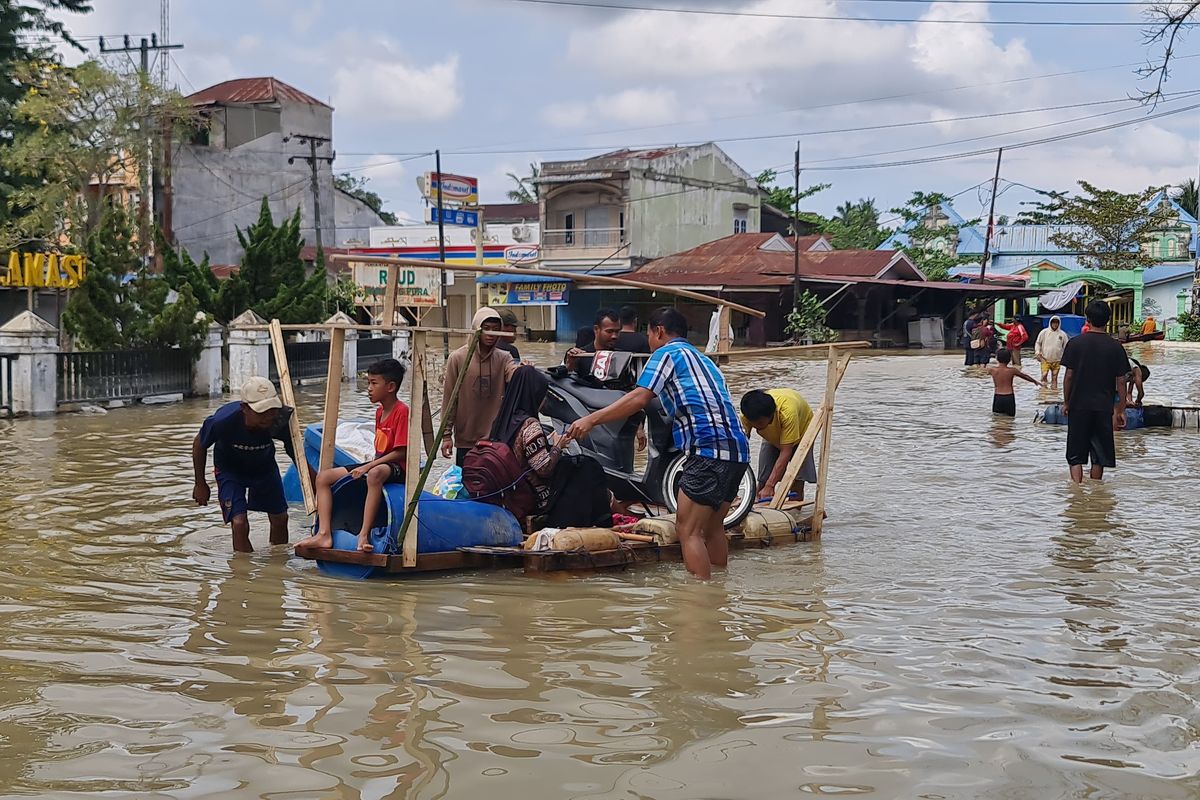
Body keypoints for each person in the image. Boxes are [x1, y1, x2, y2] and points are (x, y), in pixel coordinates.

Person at [563, 307, 751, 580]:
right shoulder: (705, 361)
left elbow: (640, 398)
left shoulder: (666, 354)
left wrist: (591, 420)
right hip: (737, 451)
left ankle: (700, 601)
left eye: (649, 334)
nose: (649, 341)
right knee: (712, 528)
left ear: (659, 331)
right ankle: (719, 590)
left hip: (708, 449)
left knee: (688, 530)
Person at [299, 359, 409, 553]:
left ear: (391, 386)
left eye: (374, 383)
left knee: (375, 474)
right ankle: (324, 533)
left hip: (397, 466)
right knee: (324, 477)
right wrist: (367, 465)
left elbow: (400, 452)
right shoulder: (379, 412)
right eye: (368, 383)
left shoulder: (402, 411)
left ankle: (363, 534)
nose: (369, 388)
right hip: (378, 463)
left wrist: (367, 467)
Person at [192, 377, 297, 553]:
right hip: (230, 470)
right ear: (245, 409)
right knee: (239, 523)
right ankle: (243, 572)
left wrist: (312, 480)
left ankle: (277, 563)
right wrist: (200, 484)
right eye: (261, 412)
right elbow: (199, 444)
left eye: (271, 410)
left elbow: (295, 451)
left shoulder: (280, 420)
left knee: (280, 518)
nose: (268, 416)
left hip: (264, 467)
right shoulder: (223, 421)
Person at [1062, 300, 1131, 483]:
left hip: (1078, 405)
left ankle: (1077, 491)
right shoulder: (1116, 347)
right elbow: (1121, 381)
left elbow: (1069, 376)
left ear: (1088, 319)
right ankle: (1095, 491)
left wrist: (1067, 402)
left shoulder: (1075, 343)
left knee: (1075, 453)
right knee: (1099, 453)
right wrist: (1121, 409)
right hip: (1103, 407)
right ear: (1107, 320)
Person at [441, 307, 517, 466]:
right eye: (486, 329)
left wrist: (524, 370)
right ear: (476, 329)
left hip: (495, 439)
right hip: (466, 439)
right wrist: (446, 435)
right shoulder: (457, 358)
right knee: (467, 486)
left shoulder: (504, 358)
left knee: (492, 483)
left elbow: (515, 375)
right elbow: (449, 399)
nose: (490, 334)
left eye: (496, 330)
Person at [739, 388, 816, 502]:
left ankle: (796, 506)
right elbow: (741, 448)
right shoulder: (747, 415)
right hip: (772, 434)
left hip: (801, 432)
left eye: (759, 423)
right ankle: (760, 501)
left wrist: (770, 486)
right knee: (764, 476)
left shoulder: (787, 413)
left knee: (797, 477)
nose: (756, 427)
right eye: (753, 424)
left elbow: (786, 451)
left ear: (771, 416)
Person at [987, 348, 1044, 417]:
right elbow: (1025, 376)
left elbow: (981, 372)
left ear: (997, 358)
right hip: (1009, 397)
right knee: (1010, 419)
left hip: (998, 397)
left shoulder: (992, 370)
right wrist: (1035, 381)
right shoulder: (1012, 371)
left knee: (997, 419)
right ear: (1010, 359)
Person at [564, 308, 621, 373]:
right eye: (609, 331)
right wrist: (570, 365)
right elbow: (566, 379)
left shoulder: (621, 357)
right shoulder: (578, 356)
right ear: (596, 329)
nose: (614, 336)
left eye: (617, 331)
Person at [1034, 314, 1070, 389]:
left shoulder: (1062, 334)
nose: (1055, 324)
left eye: (1057, 322)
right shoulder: (1044, 332)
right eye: (1053, 322)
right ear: (1050, 323)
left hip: (1057, 360)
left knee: (1054, 377)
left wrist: (1066, 358)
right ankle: (1044, 392)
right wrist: (1037, 352)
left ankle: (1053, 393)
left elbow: (1067, 347)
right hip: (1045, 359)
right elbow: (1038, 343)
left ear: (1059, 323)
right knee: (1044, 375)